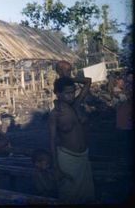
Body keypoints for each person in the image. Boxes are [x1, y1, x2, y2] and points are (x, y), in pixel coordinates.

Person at [49, 75, 95, 204]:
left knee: (86, 196)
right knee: (69, 196)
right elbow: (52, 141)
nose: (71, 96)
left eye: (73, 92)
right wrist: (56, 167)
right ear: (58, 93)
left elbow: (88, 81)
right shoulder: (55, 114)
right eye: (67, 93)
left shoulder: (76, 104)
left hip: (83, 157)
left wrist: (66, 78)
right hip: (67, 159)